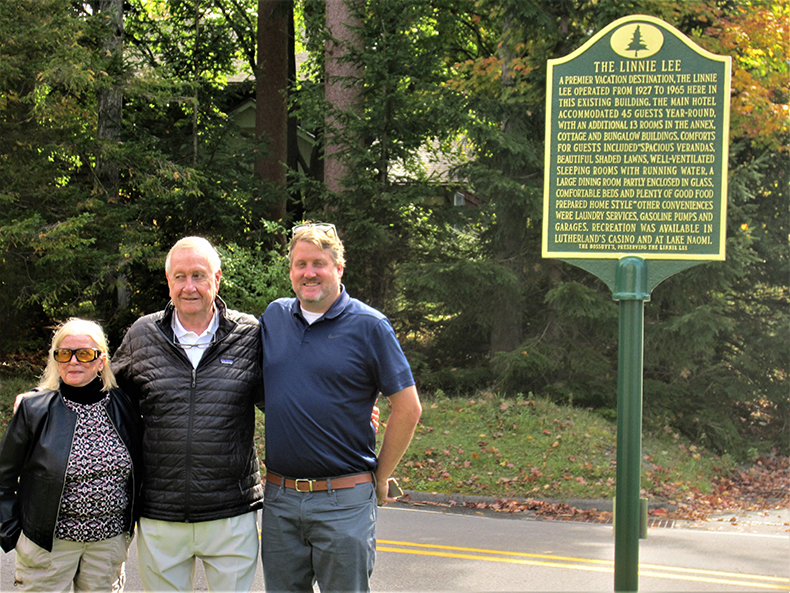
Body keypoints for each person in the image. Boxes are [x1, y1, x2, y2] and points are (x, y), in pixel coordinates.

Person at [260, 221, 422, 592]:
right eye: (301, 264)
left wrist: (381, 475)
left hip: (344, 501)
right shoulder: (274, 318)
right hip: (280, 500)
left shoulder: (370, 326)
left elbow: (408, 408)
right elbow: (267, 388)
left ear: (339, 268)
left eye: (319, 263)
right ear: (291, 271)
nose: (309, 273)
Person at [111, 236, 264, 592]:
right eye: (179, 277)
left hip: (231, 514)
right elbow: (103, 395)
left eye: (199, 275)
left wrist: (344, 414)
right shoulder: (143, 334)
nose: (189, 286)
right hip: (160, 515)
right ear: (168, 282)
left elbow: (286, 397)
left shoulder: (249, 334)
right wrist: (44, 398)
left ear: (217, 279)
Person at [0, 318, 143, 592]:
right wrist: (12, 533)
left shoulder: (125, 405)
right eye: (64, 354)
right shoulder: (34, 410)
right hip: (47, 547)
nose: (73, 361)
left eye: (84, 354)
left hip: (107, 546)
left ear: (101, 361)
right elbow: (3, 477)